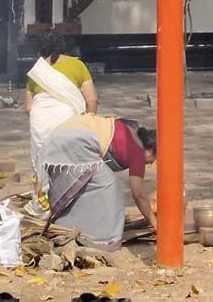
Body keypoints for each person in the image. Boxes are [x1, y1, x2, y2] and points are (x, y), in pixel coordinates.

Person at [38, 112, 158, 250]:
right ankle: (103, 241)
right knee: (110, 188)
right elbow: (138, 194)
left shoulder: (130, 128)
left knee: (88, 186)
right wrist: (156, 225)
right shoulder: (138, 153)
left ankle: (71, 228)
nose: (151, 163)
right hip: (75, 142)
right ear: (150, 150)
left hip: (61, 136)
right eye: (154, 159)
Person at [26, 32, 98, 189]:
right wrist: (88, 122)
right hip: (67, 118)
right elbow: (92, 100)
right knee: (69, 159)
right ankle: (69, 195)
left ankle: (43, 198)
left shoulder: (37, 70)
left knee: (41, 160)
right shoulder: (78, 65)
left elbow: (28, 107)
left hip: (40, 121)